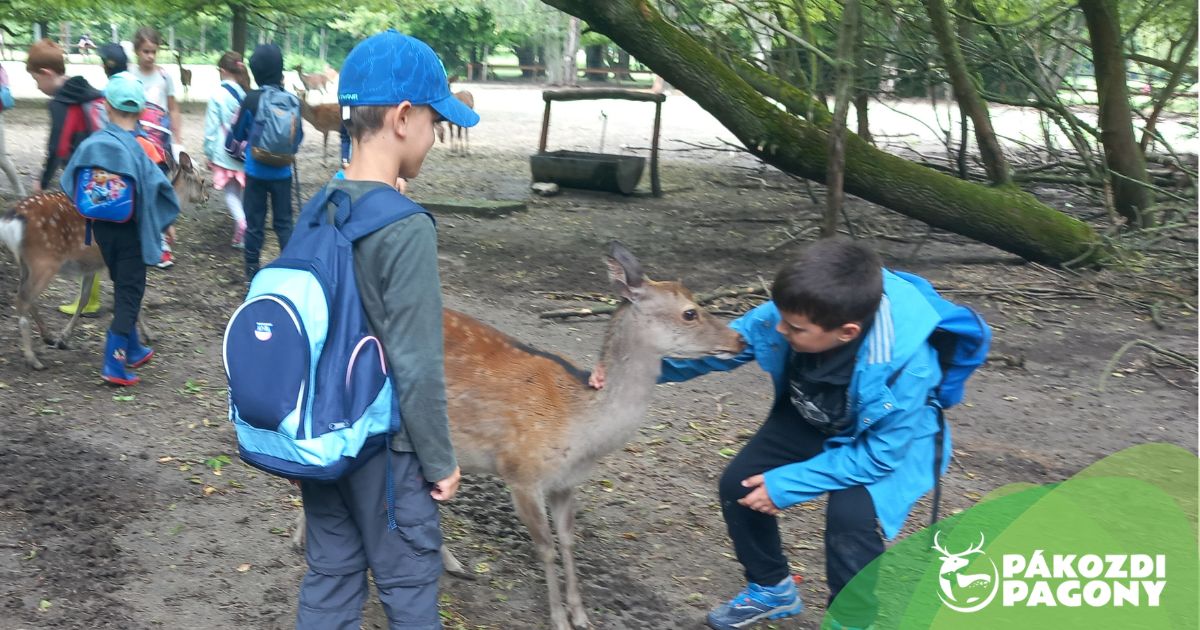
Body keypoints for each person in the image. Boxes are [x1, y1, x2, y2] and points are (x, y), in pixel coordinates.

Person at [594, 238, 949, 629]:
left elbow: (879, 456)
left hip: (879, 443)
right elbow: (722, 348)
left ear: (847, 332)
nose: (778, 328)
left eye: (794, 328)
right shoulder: (794, 312)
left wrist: (786, 484)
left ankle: (851, 620)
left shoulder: (908, 368)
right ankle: (772, 588)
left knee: (850, 519)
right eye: (780, 317)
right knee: (738, 485)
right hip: (810, 413)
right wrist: (626, 370)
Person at [294, 29, 477, 629]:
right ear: (403, 117)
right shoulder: (405, 227)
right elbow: (417, 362)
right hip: (388, 451)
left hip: (322, 437)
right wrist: (440, 459)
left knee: (332, 577)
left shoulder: (322, 204)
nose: (434, 136)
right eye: (433, 121)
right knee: (408, 584)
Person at [60, 72, 180, 386]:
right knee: (131, 293)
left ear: (106, 108)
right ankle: (114, 363)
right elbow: (162, 192)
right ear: (141, 112)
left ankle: (135, 348)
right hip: (131, 233)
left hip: (101, 231)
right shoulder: (139, 150)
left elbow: (68, 179)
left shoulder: (92, 144)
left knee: (121, 280)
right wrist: (164, 223)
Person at [59, 41, 131, 317]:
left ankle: (91, 300)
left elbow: (75, 143)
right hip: (128, 179)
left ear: (104, 66)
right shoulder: (135, 90)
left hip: (102, 179)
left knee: (95, 235)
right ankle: (121, 306)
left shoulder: (101, 98)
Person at [227, 43, 302, 282]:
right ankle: (290, 271)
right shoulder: (292, 101)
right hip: (283, 173)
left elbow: (235, 137)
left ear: (255, 72)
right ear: (280, 70)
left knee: (255, 224)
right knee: (284, 223)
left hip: (255, 172)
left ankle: (251, 273)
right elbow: (297, 137)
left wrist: (239, 150)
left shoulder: (250, 100)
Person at [26, 38, 104, 195]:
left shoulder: (60, 103)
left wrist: (43, 181)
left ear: (46, 73)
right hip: (105, 165)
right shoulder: (86, 90)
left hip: (81, 172)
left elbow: (57, 148)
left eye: (36, 79)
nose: (37, 86)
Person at [203, 51, 250, 248]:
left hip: (224, 153)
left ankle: (241, 223)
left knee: (230, 193)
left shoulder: (217, 95)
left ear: (222, 71)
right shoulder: (245, 93)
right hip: (243, 152)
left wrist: (209, 152)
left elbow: (212, 128)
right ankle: (242, 233)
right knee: (240, 190)